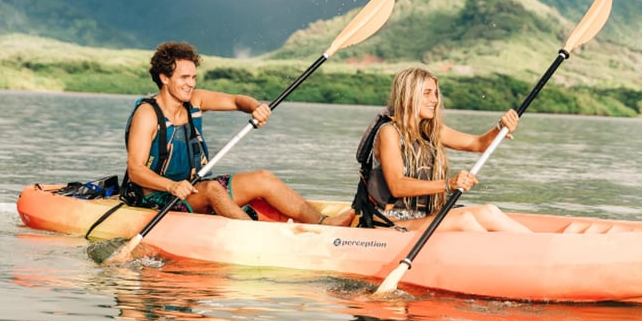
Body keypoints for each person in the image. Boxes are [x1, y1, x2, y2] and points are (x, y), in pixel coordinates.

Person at [123, 41, 353, 226]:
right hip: (160, 198)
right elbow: (135, 171)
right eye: (184, 77)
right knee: (213, 189)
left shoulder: (196, 100)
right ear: (164, 78)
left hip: (196, 188)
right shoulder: (148, 114)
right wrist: (171, 186)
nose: (190, 83)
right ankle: (255, 237)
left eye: (193, 77)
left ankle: (324, 223)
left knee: (263, 178)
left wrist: (255, 107)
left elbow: (235, 100)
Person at [355, 67, 532, 232]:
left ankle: (542, 250)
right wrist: (449, 184)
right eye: (427, 93)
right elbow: (397, 186)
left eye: (435, 93)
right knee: (464, 220)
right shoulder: (389, 132)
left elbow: (477, 143)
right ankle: (509, 258)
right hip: (389, 222)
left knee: (489, 212)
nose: (434, 100)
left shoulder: (431, 130)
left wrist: (499, 128)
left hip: (424, 217)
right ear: (408, 96)